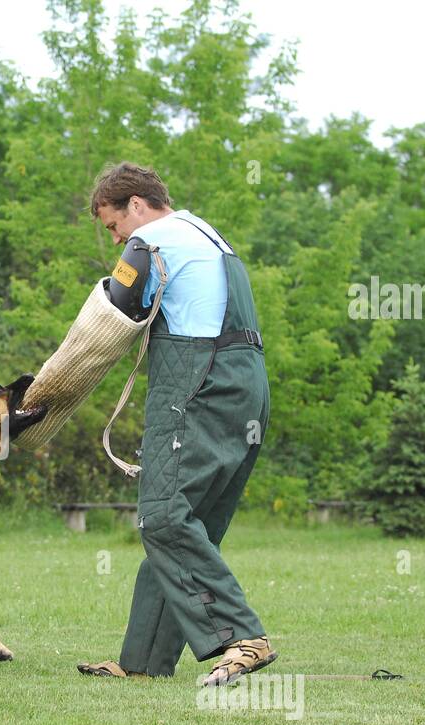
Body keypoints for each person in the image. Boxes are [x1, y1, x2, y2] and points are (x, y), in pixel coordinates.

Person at [77, 162, 275, 686]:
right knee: (190, 523)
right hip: (246, 387)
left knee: (163, 515)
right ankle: (142, 663)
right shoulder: (206, 234)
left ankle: (241, 637)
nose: (116, 238)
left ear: (136, 205)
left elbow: (114, 311)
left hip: (197, 383)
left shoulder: (151, 242)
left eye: (113, 224)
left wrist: (50, 393)